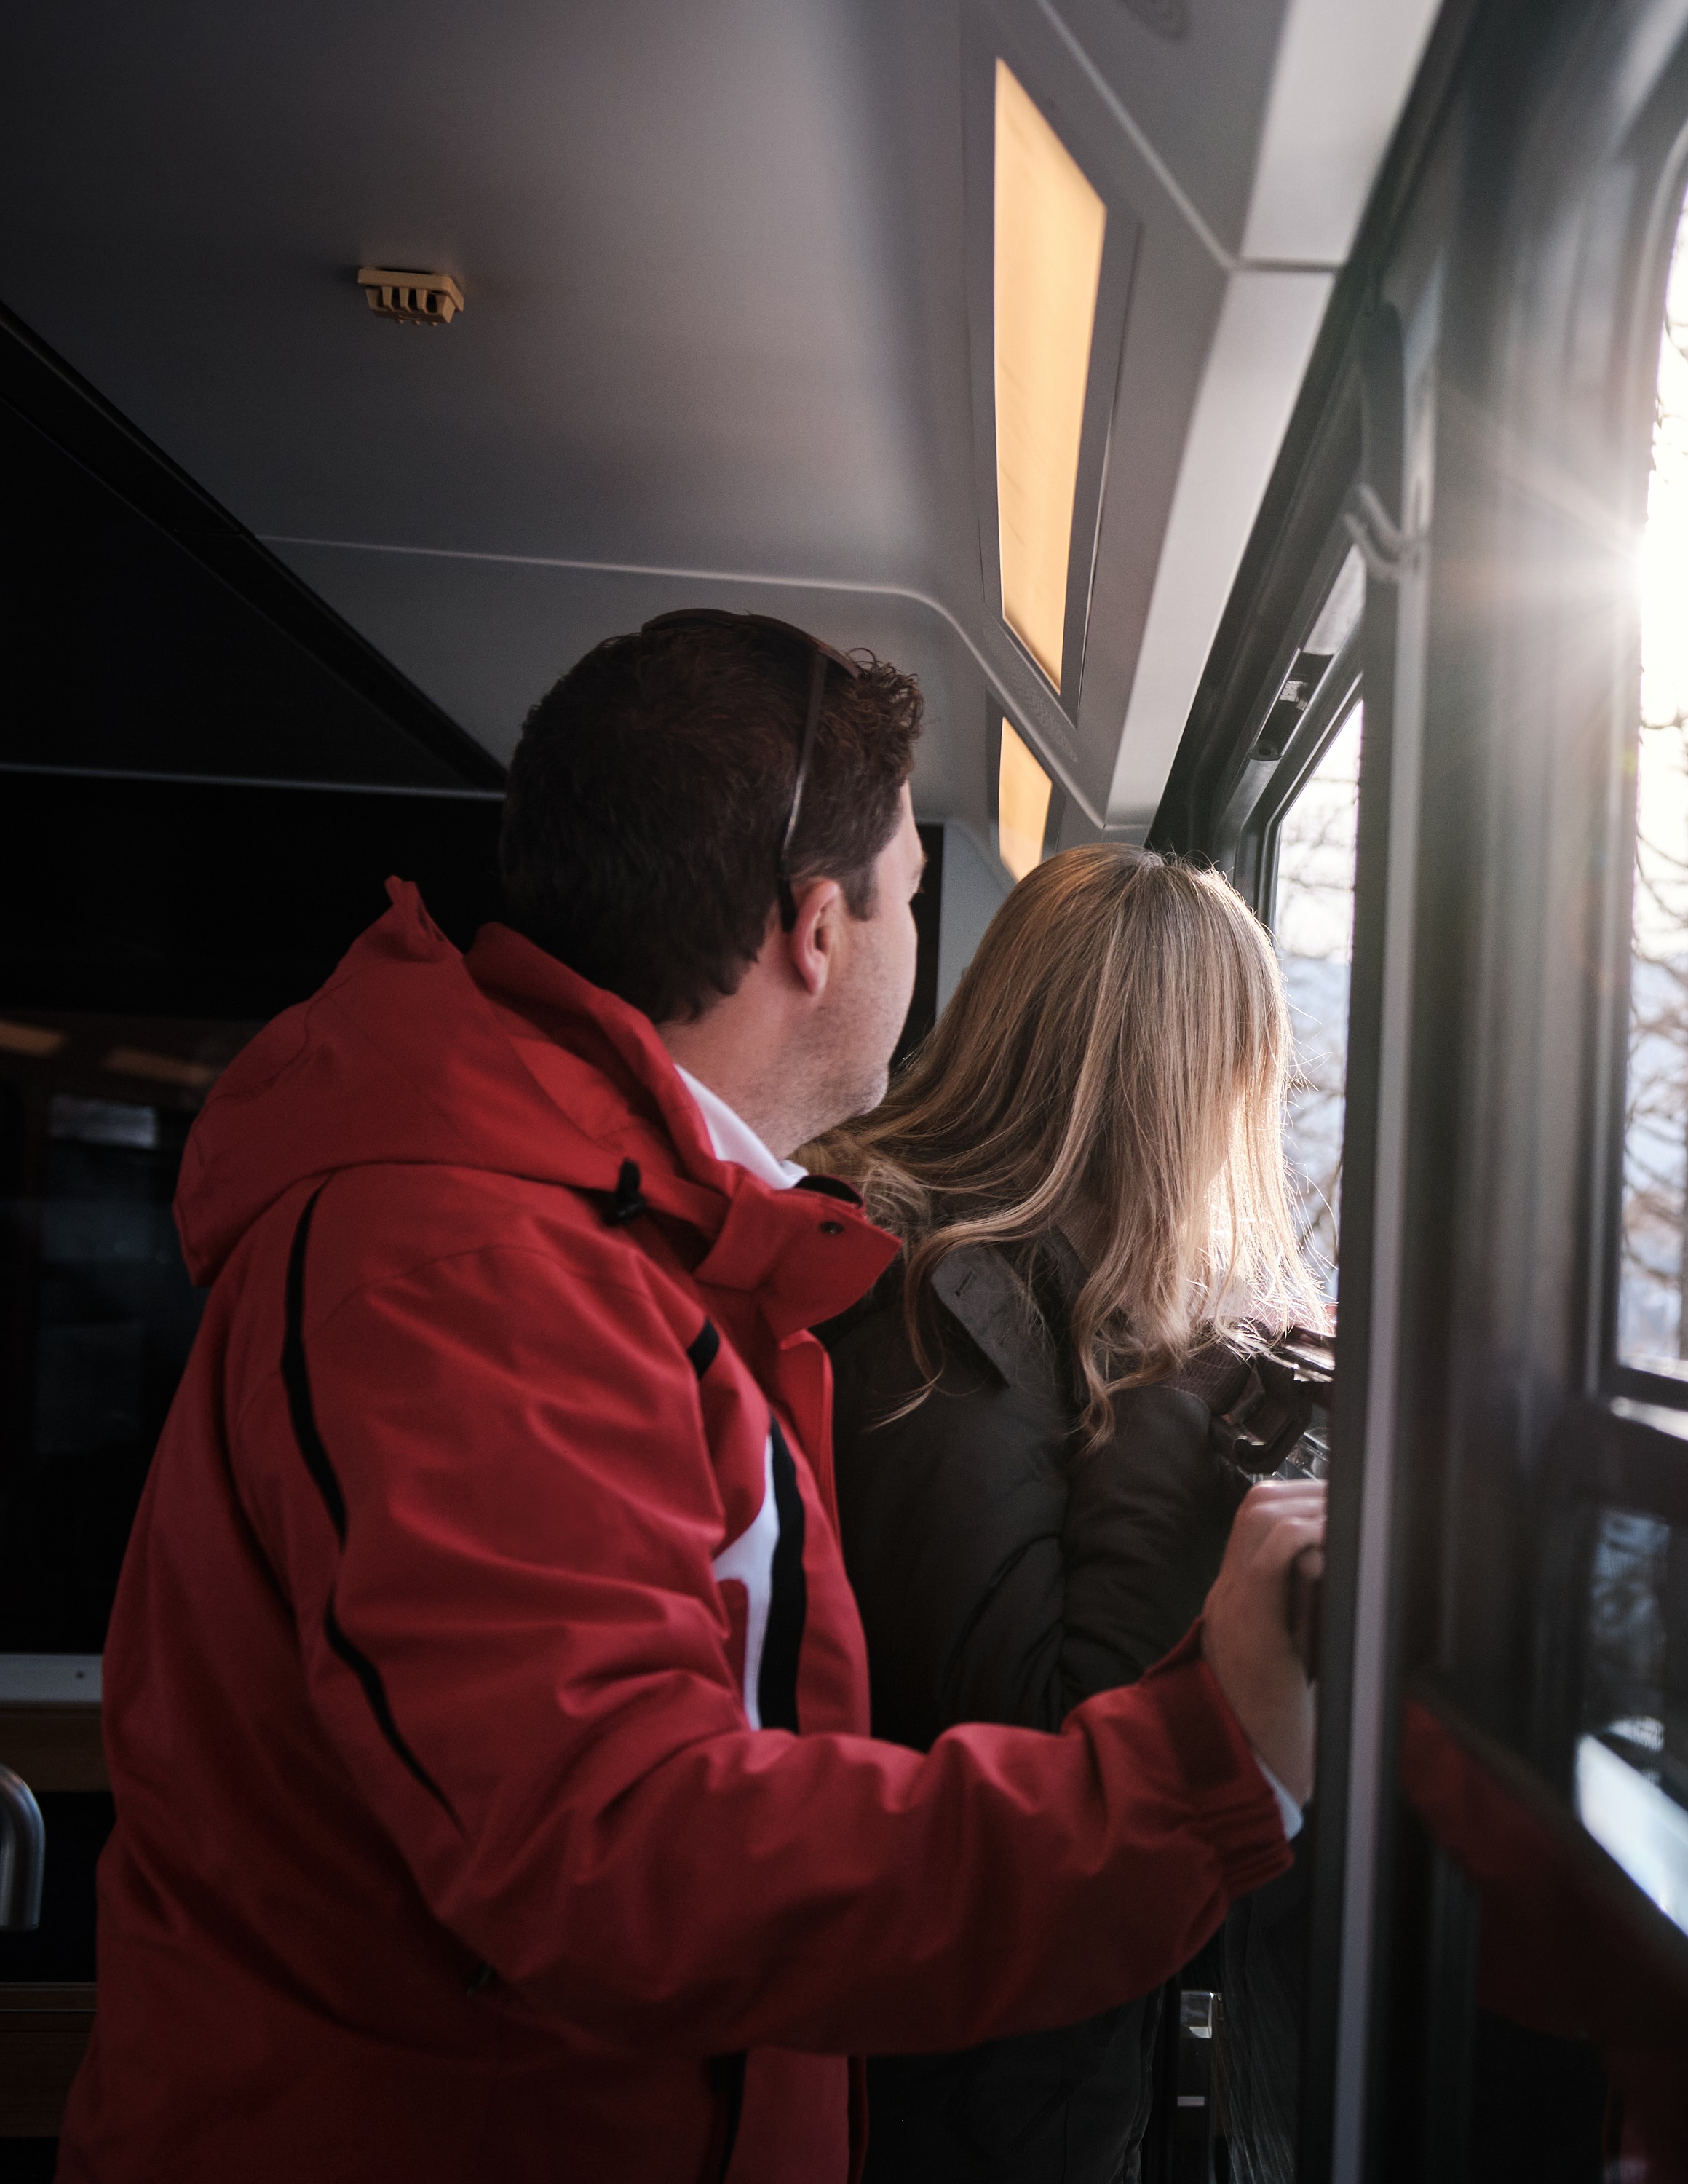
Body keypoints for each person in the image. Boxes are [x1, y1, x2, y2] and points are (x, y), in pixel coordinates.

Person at [59, 612, 1325, 2181]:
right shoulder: (472, 1273)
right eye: (915, 903)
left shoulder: (655, 1243)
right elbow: (623, 1860)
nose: (920, 959)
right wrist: (1210, 1765)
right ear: (818, 931)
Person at [806, 843, 1330, 2184]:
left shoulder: (1036, 1306)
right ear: (1199, 1094)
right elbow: (1042, 1734)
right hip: (966, 2103)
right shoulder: (931, 1313)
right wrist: (1213, 1399)